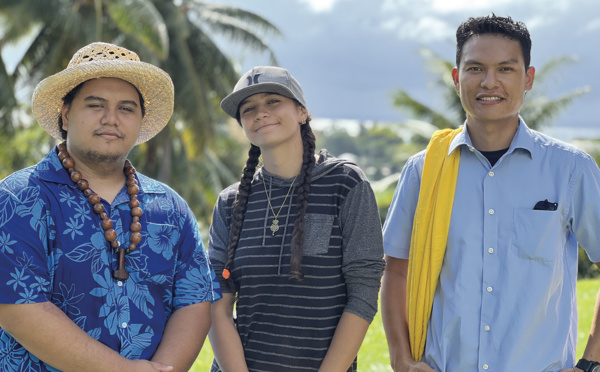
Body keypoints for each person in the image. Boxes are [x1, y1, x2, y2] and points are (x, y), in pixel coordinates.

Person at [381, 14, 600, 372]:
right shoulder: (424, 171)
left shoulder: (571, 169)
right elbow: (397, 271)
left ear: (528, 78)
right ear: (456, 78)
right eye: (475, 68)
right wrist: (401, 360)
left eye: (506, 69)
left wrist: (591, 363)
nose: (490, 82)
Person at [0, 42, 222, 372]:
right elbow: (17, 308)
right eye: (95, 105)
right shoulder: (19, 198)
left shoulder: (170, 208)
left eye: (127, 108)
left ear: (140, 120)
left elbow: (195, 300)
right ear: (66, 112)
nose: (111, 119)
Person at [207, 66, 385, 372]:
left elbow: (364, 293)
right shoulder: (230, 202)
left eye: (273, 101)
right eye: (248, 109)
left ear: (302, 112)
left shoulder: (346, 183)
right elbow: (217, 305)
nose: (260, 113)